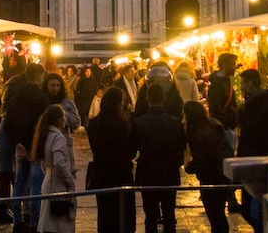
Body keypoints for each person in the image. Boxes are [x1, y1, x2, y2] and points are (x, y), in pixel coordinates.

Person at [130, 82, 185, 233]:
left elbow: (132, 150)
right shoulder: (174, 122)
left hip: (147, 172)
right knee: (169, 213)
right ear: (164, 97)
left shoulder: (138, 123)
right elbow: (181, 147)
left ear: (148, 98)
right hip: (169, 171)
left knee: (150, 215)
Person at [237, 68, 268, 233]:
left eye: (243, 83)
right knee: (252, 209)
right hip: (259, 158)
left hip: (257, 160)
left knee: (254, 209)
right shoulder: (265, 101)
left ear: (250, 83)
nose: (241, 87)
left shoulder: (258, 105)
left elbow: (250, 135)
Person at [87, 86, 136, 233]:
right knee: (123, 215)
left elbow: (95, 148)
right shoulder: (122, 125)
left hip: (102, 174)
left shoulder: (94, 124)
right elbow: (130, 151)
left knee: (105, 215)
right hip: (121, 174)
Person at [7, 62, 49, 233]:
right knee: (35, 185)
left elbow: (9, 120)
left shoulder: (16, 95)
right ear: (39, 76)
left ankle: (17, 219)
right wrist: (34, 147)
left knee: (18, 183)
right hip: (34, 146)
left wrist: (18, 142)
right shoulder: (41, 98)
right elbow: (42, 125)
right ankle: (34, 221)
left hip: (20, 147)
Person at [183, 100, 233, 233]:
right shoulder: (215, 124)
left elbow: (201, 159)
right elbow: (226, 149)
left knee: (214, 215)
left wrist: (189, 167)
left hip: (208, 178)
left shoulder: (195, 132)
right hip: (222, 174)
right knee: (220, 213)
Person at [0, 53, 28, 224]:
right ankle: (4, 211)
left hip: (5, 130)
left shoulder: (11, 83)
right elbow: (9, 115)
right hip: (8, 131)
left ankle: (5, 210)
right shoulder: (19, 84)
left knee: (5, 173)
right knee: (6, 173)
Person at [33, 104, 76, 233]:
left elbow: (43, 161)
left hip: (48, 180)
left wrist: (47, 171)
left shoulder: (45, 135)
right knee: (60, 223)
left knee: (48, 221)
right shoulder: (58, 138)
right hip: (59, 184)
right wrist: (69, 179)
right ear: (59, 119)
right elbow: (59, 161)